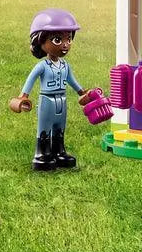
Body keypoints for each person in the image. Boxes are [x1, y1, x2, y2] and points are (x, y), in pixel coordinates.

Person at [9, 9, 88, 171]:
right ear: (40, 41)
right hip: (47, 100)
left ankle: (59, 151)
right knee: (45, 127)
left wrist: (82, 92)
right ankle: (42, 153)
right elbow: (30, 79)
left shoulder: (65, 65)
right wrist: (23, 96)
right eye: (58, 40)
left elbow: (72, 80)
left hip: (62, 100)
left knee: (59, 127)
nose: (65, 44)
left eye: (68, 39)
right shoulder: (42, 66)